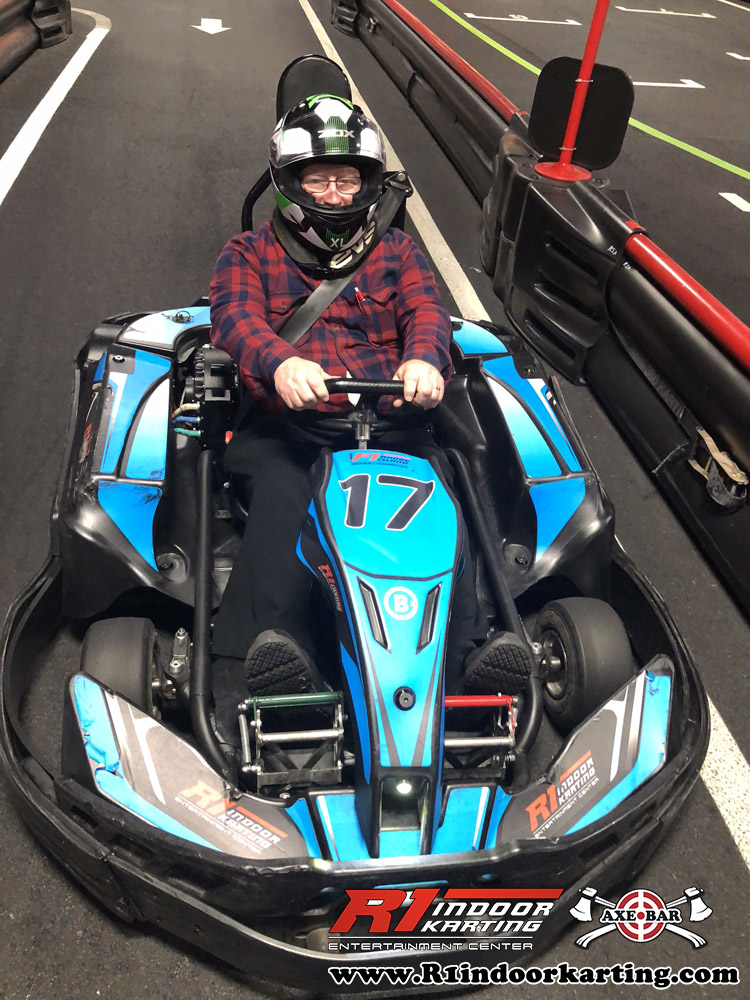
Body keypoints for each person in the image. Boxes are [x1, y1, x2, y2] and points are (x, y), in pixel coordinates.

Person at [209, 94, 528, 710]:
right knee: (283, 498)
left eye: (347, 180)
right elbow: (234, 320)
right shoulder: (248, 253)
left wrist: (423, 359)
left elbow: (426, 311)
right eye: (319, 180)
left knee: (445, 503)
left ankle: (466, 657)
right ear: (290, 183)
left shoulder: (397, 252)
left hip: (391, 430)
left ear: (368, 184)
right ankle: (272, 653)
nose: (334, 195)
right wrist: (281, 363)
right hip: (291, 433)